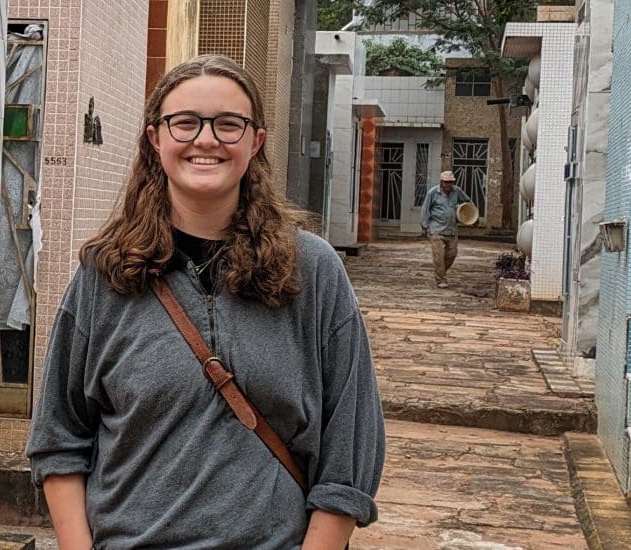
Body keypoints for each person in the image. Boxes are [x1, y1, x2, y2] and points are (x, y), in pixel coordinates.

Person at [25, 55, 385, 549]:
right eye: (185, 123)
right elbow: (59, 437)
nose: (206, 139)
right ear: (156, 138)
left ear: (255, 141)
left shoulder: (313, 271)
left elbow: (350, 444)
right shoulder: (104, 275)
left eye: (228, 124)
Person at [420, 170, 472, 288]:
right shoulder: (433, 193)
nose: (448, 185)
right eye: (446, 182)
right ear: (441, 182)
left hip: (451, 229)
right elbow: (425, 209)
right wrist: (424, 226)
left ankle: (440, 272)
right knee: (439, 256)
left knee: (452, 254)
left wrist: (473, 216)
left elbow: (468, 202)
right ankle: (441, 280)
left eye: (451, 182)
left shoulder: (457, 191)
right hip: (436, 229)